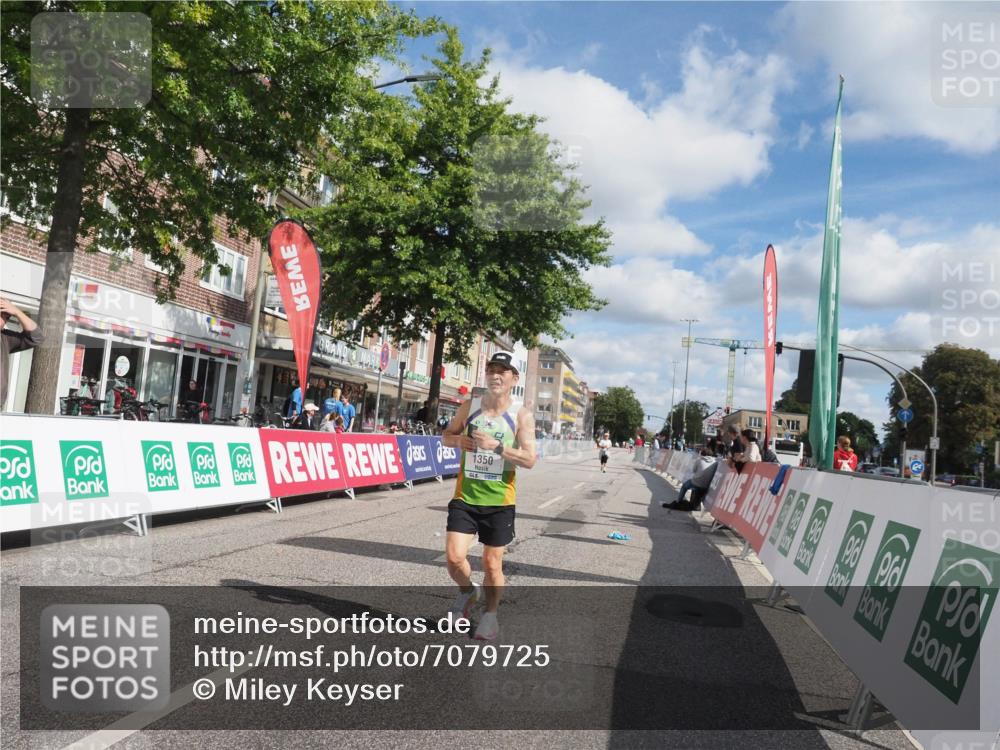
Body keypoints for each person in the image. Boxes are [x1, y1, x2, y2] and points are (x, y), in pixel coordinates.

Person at [441, 351, 537, 641]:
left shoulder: (521, 415)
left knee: (492, 563)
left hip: (500, 501)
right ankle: (469, 592)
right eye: (492, 369)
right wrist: (460, 440)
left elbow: (530, 459)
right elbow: (446, 436)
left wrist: (497, 447)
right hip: (466, 496)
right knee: (454, 557)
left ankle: (491, 616)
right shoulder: (471, 406)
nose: (496, 375)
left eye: (503, 371)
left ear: (513, 379)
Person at [1, 298, 42, 407]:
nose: (4, 320)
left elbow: (36, 337)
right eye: (1, 314)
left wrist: (17, 312)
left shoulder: (5, 338)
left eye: (7, 317)